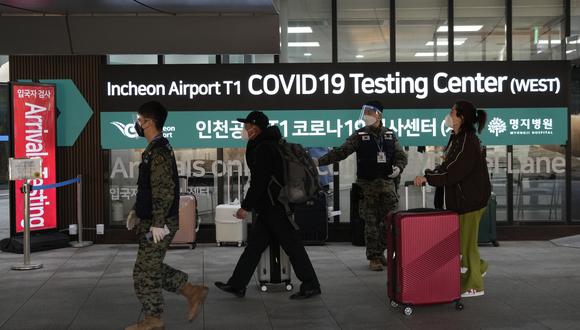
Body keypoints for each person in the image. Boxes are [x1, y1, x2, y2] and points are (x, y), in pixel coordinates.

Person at [215, 111, 321, 299]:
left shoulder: (264, 148)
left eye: (246, 126)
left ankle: (311, 284)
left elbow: (260, 181)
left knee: (292, 245)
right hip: (271, 206)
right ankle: (237, 284)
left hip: (275, 206)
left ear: (255, 128)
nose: (244, 129)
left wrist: (245, 207)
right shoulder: (266, 144)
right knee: (255, 246)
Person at [125, 101, 208, 330]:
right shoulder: (154, 149)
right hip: (150, 219)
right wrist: (136, 209)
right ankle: (191, 291)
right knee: (148, 269)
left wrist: (158, 223)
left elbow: (164, 189)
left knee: (143, 273)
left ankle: (155, 318)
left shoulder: (159, 151)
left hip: (158, 222)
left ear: (149, 122)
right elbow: (148, 187)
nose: (137, 124)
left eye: (139, 120)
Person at [315, 100, 408, 271]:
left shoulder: (390, 134)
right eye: (365, 113)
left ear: (378, 115)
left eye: (369, 113)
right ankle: (374, 257)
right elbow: (340, 152)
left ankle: (380, 251)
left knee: (390, 222)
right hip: (367, 187)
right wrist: (318, 161)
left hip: (388, 187)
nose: (366, 116)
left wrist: (398, 168)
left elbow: (401, 156)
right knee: (371, 223)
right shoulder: (359, 136)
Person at [414, 100, 491, 298]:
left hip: (471, 200)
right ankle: (479, 266)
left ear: (461, 117)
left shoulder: (469, 141)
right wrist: (432, 173)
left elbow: (455, 172)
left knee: (467, 244)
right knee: (462, 241)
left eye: (452, 113)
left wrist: (429, 178)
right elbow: (448, 164)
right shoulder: (456, 137)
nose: (449, 116)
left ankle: (475, 285)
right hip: (462, 200)